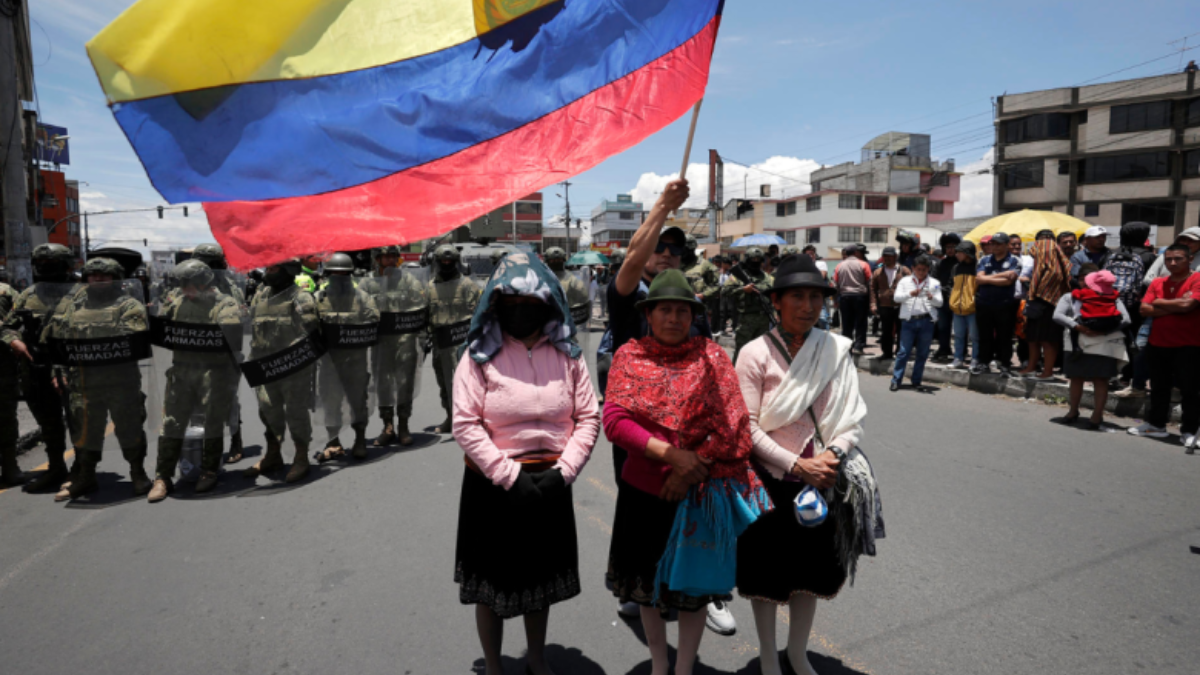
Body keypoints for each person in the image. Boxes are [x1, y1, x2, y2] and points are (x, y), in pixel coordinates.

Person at [604, 268, 769, 675]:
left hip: (699, 492)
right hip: (643, 494)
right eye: (665, 310)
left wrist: (689, 469)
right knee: (646, 590)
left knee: (693, 591)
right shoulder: (629, 355)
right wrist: (671, 456)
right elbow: (614, 420)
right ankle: (659, 663)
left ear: (694, 316)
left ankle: (684, 666)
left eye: (683, 311)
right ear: (649, 313)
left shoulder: (712, 357)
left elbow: (733, 425)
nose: (675, 318)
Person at [452, 252, 600, 675]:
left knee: (540, 580)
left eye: (531, 302)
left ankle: (536, 658)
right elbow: (465, 424)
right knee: (491, 586)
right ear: (495, 305)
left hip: (551, 483)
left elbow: (587, 417)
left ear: (548, 304)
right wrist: (508, 476)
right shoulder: (478, 355)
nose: (521, 311)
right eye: (510, 302)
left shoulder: (568, 355)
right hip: (493, 485)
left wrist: (563, 474)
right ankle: (495, 666)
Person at [603, 181, 737, 635]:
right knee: (642, 512)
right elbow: (631, 262)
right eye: (658, 247)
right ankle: (640, 589)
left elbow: (719, 392)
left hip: (694, 448)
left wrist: (692, 458)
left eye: (674, 251)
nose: (664, 255)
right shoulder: (629, 301)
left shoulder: (692, 308)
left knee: (695, 514)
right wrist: (663, 205)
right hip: (641, 442)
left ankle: (703, 594)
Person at [735, 255, 877, 675]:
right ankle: (767, 654)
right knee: (767, 574)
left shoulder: (834, 349)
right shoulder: (753, 354)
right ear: (776, 301)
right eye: (797, 296)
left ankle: (798, 652)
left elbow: (851, 416)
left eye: (815, 296)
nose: (808, 305)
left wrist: (832, 455)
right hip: (769, 481)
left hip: (823, 480)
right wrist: (797, 464)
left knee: (810, 572)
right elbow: (747, 428)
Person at [43, 258, 151, 501]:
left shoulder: (129, 305)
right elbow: (59, 342)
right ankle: (86, 476)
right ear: (85, 279)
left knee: (129, 428)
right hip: (83, 382)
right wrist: (57, 372)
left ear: (114, 277)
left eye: (104, 275)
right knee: (84, 431)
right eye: (92, 275)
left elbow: (133, 339)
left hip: (121, 382)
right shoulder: (71, 306)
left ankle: (138, 472)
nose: (98, 279)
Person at [147, 260, 243, 501]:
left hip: (213, 372)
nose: (182, 289)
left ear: (202, 284)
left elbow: (231, 332)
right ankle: (162, 477)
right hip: (182, 371)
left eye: (187, 284)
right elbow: (162, 326)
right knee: (171, 423)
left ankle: (209, 470)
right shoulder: (178, 302)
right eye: (180, 284)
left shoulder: (224, 303)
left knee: (212, 422)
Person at [3, 244, 76, 492]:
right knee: (49, 423)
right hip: (35, 366)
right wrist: (14, 340)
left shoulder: (83, 294)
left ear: (66, 266)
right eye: (41, 263)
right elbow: (8, 325)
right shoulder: (28, 295)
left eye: (52, 263)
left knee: (80, 420)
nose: (45, 268)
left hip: (73, 365)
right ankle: (56, 467)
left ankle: (83, 471)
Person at [244, 259, 320, 483]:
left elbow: (310, 333)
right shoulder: (261, 295)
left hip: (292, 368)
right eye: (267, 268)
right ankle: (273, 454)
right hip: (264, 366)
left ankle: (301, 457)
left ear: (288, 271)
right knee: (267, 411)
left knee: (295, 412)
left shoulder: (301, 297)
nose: (268, 272)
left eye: (274, 268)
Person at [1128, 244, 1200, 450]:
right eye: (1168, 259)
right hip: (1158, 343)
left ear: (1190, 259)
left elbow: (1189, 306)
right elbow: (1144, 309)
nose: (1172, 263)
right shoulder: (1158, 282)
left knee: (1190, 390)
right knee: (1159, 388)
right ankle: (1156, 424)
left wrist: (1159, 303)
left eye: (1178, 259)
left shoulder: (1197, 279)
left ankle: (1189, 430)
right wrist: (1176, 304)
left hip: (1190, 345)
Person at [314, 253, 380, 461]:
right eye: (335, 273)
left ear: (350, 275)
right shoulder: (319, 297)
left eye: (343, 274)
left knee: (357, 401)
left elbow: (374, 319)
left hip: (356, 361)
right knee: (330, 401)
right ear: (327, 274)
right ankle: (333, 442)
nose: (339, 277)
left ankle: (360, 439)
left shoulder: (362, 297)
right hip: (329, 362)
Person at [362, 246, 428, 447]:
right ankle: (387, 425)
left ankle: (404, 425)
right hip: (380, 341)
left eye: (393, 257)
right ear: (378, 259)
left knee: (405, 382)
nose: (390, 260)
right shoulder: (367, 283)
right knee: (382, 383)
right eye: (386, 257)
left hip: (404, 340)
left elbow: (421, 308)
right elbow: (359, 308)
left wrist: (422, 341)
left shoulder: (409, 281)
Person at [1054, 270, 1131, 430]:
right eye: (1081, 279)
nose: (1084, 283)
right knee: (1079, 378)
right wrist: (1098, 330)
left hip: (1082, 343)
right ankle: (1077, 413)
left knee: (1097, 379)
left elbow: (1059, 316)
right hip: (1095, 343)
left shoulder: (1073, 296)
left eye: (1086, 280)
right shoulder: (1111, 297)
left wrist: (1080, 327)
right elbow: (1125, 320)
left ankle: (1092, 416)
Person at [429, 245, 483, 433]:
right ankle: (451, 417)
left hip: (464, 344)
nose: (446, 264)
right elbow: (425, 316)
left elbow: (480, 313)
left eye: (450, 261)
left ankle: (472, 419)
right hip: (440, 343)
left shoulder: (468, 285)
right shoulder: (430, 287)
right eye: (443, 261)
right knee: (444, 383)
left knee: (469, 383)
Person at [1017, 237, 1071, 380]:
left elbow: (1044, 289)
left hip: (1050, 306)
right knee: (1033, 338)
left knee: (1047, 340)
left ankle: (1047, 372)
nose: (1034, 254)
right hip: (1037, 305)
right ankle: (1031, 367)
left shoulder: (1055, 270)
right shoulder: (1039, 267)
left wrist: (1030, 287)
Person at [890, 255, 942, 392]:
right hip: (909, 321)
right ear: (913, 268)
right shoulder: (905, 281)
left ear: (928, 269)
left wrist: (932, 297)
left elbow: (940, 302)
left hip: (927, 321)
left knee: (922, 353)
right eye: (918, 269)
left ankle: (916, 381)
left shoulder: (935, 282)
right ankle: (896, 380)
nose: (921, 272)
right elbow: (896, 298)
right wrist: (910, 294)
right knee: (903, 352)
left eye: (924, 270)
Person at [975, 233, 1021, 374]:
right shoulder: (984, 259)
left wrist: (987, 278)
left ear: (1007, 245)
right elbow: (978, 279)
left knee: (1005, 336)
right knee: (985, 335)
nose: (994, 246)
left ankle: (1005, 364)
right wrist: (1001, 275)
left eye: (998, 243)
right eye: (993, 243)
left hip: (1005, 304)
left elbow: (1009, 280)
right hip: (984, 303)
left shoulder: (1014, 260)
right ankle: (984, 363)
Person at [724, 247, 774, 363]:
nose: (755, 261)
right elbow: (724, 291)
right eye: (753, 259)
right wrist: (742, 290)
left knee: (761, 352)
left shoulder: (768, 278)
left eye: (758, 259)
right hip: (745, 320)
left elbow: (774, 297)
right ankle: (735, 377)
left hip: (764, 319)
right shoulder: (737, 276)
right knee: (742, 352)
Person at [1068, 271, 1123, 358]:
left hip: (1092, 322)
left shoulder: (1086, 292)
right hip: (1111, 322)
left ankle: (1076, 348)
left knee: (1073, 325)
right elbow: (1117, 294)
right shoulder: (1113, 293)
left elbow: (1075, 294)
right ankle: (1132, 342)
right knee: (1123, 319)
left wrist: (1075, 288)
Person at [868, 246, 910, 360]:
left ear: (895, 257)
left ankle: (900, 352)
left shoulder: (904, 271)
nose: (887, 259)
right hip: (884, 305)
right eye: (885, 256)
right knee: (886, 330)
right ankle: (887, 353)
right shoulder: (878, 272)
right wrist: (873, 304)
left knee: (902, 330)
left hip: (901, 305)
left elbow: (911, 285)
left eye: (889, 256)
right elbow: (872, 289)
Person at [0, 276, 22, 487]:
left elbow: (18, 321)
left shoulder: (5, 291)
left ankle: (9, 466)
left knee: (5, 418)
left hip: (2, 367)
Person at [832, 246, 872, 355]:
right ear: (855, 252)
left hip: (845, 297)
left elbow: (835, 284)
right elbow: (869, 282)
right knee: (861, 323)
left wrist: (835, 300)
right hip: (860, 297)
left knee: (846, 324)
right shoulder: (863, 264)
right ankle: (859, 346)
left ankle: (847, 348)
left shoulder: (839, 266)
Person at [949, 241, 980, 371]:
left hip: (973, 308)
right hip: (957, 308)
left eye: (959, 252)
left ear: (967, 254)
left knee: (975, 337)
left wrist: (975, 300)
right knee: (958, 335)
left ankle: (975, 359)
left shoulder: (978, 267)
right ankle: (958, 359)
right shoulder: (956, 268)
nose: (956, 255)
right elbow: (952, 285)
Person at [931, 233, 962, 361]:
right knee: (943, 327)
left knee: (960, 329)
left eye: (953, 246)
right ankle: (944, 349)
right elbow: (934, 281)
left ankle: (961, 352)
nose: (950, 249)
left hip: (959, 300)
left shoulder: (962, 263)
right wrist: (940, 290)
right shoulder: (940, 264)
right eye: (947, 247)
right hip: (943, 300)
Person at [545, 247, 591, 330]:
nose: (556, 262)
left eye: (557, 260)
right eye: (553, 260)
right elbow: (584, 295)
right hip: (561, 323)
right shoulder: (571, 278)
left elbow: (583, 296)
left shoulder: (541, 277)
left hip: (553, 323)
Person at [682, 234, 721, 328]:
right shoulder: (675, 264)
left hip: (698, 311)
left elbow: (717, 286)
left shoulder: (705, 265)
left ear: (691, 249)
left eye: (684, 249)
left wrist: (702, 296)